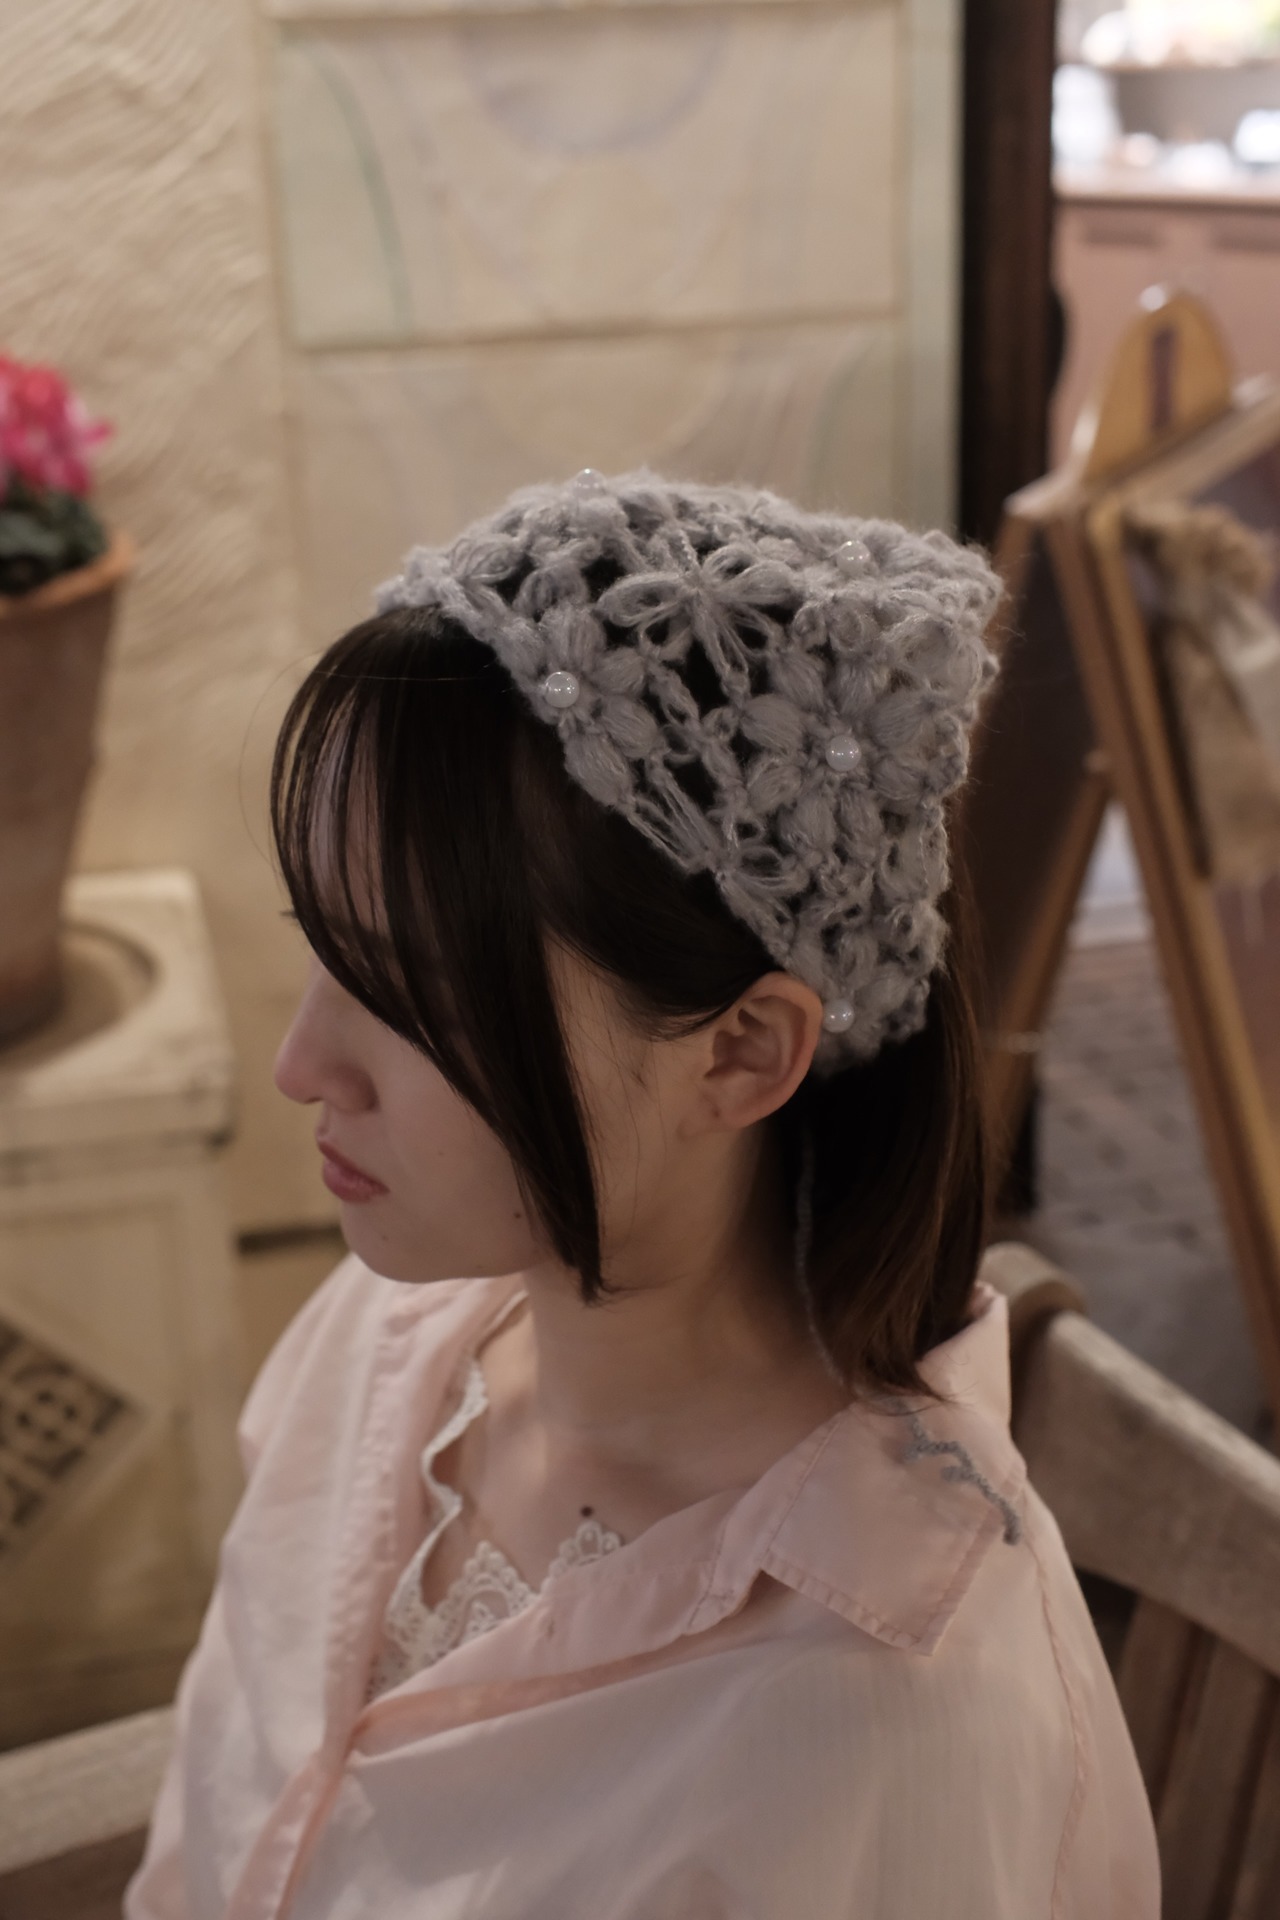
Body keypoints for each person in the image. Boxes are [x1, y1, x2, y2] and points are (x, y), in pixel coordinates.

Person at [125, 470, 1160, 1919]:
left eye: (408, 996)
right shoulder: (374, 1345)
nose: (303, 1066)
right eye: (323, 946)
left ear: (739, 1053)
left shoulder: (878, 1706)